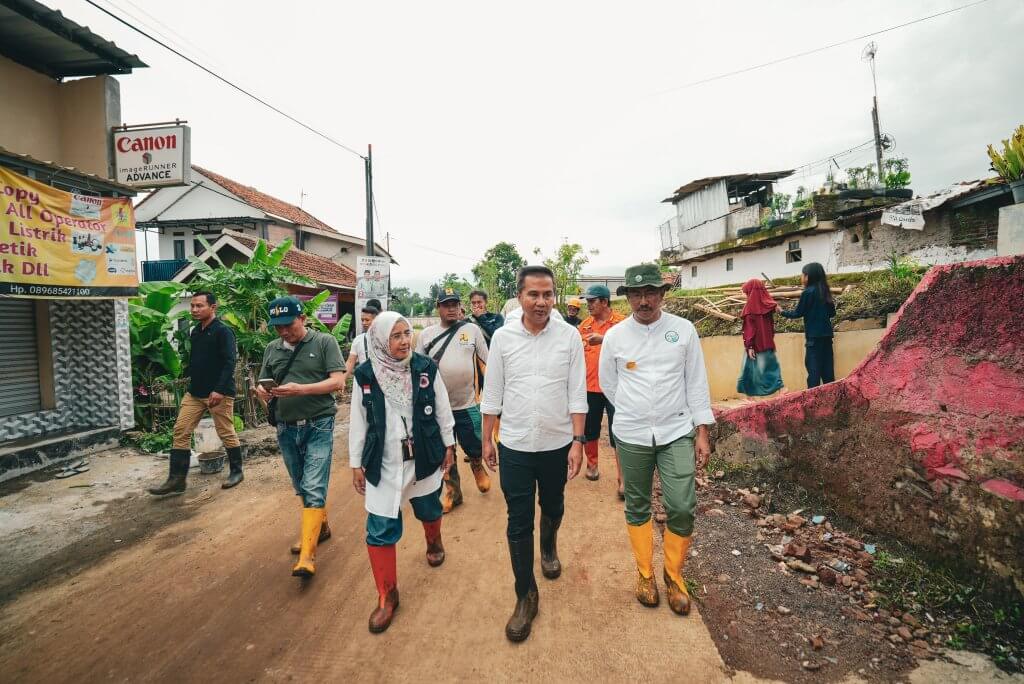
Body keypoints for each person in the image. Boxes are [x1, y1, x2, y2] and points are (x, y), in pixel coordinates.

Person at [599, 263, 714, 616]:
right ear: (628, 298)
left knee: (681, 505)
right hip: (632, 433)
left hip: (675, 431)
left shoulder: (683, 330)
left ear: (662, 294)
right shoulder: (615, 337)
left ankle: (674, 576)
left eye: (650, 292)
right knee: (637, 504)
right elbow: (608, 383)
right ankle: (645, 574)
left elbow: (696, 381)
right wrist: (634, 409)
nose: (644, 301)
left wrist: (702, 430)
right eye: (636, 294)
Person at [481, 265, 587, 643]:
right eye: (533, 295)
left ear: (554, 296)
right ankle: (525, 595)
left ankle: (549, 543)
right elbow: (492, 393)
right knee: (518, 520)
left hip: (557, 444)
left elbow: (577, 392)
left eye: (547, 294)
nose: (541, 302)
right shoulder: (503, 338)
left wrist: (578, 441)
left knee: (553, 505)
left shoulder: (569, 337)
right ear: (520, 297)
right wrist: (486, 439)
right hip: (515, 445)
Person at [350, 312, 456, 633]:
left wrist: (449, 445)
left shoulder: (425, 368)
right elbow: (359, 421)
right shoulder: (365, 375)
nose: (404, 341)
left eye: (406, 334)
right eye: (395, 336)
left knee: (429, 507)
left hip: (422, 456)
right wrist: (355, 463)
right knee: (379, 527)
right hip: (383, 462)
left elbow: (442, 408)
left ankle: (434, 541)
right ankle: (387, 595)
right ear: (381, 340)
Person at [255, 296, 346, 578]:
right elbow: (262, 383)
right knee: (301, 485)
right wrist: (262, 393)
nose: (284, 331)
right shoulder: (272, 349)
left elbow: (338, 381)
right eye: (278, 327)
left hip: (319, 423)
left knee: (313, 484)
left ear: (303, 319)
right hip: (285, 427)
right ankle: (321, 527)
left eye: (289, 325)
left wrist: (300, 390)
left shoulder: (324, 342)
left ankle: (307, 556)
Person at [149, 291, 243, 497]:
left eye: (199, 306)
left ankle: (237, 471)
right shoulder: (196, 332)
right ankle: (177, 480)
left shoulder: (223, 331)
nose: (194, 309)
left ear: (213, 307)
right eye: (192, 306)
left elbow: (230, 362)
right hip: (195, 392)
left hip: (218, 393)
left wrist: (219, 389)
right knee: (180, 431)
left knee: (226, 432)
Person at [415, 288, 491, 510]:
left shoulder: (472, 330)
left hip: (467, 403)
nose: (451, 309)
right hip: (438, 408)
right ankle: (453, 491)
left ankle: (477, 465)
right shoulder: (426, 335)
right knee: (444, 451)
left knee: (474, 443)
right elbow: (418, 369)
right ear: (438, 307)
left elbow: (487, 361)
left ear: (460, 307)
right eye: (446, 305)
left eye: (454, 304)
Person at [577, 284, 626, 487]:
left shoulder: (622, 324)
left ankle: (623, 477)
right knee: (590, 429)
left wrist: (605, 340)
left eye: (592, 301)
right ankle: (592, 465)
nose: (588, 305)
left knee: (619, 430)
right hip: (590, 387)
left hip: (616, 388)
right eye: (587, 301)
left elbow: (631, 348)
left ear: (604, 301)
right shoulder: (584, 326)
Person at [780, 262, 836, 388]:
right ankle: (832, 397)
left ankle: (813, 399)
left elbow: (797, 313)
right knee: (828, 373)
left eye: (803, 275)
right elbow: (832, 313)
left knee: (813, 374)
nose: (802, 277)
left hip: (813, 340)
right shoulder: (825, 292)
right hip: (827, 338)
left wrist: (781, 311)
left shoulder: (807, 293)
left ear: (808, 276)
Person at [737, 279, 784, 397]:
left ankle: (780, 390)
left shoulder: (749, 308)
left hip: (756, 345)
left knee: (753, 370)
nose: (746, 295)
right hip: (767, 343)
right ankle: (752, 396)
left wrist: (750, 346)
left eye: (747, 292)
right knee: (768, 367)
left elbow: (750, 329)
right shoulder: (768, 306)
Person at [346, 299, 382, 377]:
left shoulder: (386, 338)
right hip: (362, 380)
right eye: (362, 320)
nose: (364, 323)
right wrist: (342, 379)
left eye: (367, 320)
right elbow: (350, 362)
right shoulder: (358, 340)